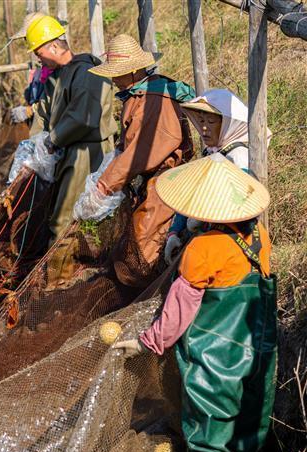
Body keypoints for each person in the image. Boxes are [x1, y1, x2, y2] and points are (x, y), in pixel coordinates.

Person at [112, 154, 276, 452]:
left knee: (209, 438)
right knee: (244, 427)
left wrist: (146, 343)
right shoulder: (260, 238)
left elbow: (177, 313)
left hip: (215, 363)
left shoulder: (201, 248)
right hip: (257, 354)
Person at [79, 34, 194, 287]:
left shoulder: (155, 99)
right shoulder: (136, 94)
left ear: (133, 72)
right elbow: (127, 147)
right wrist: (110, 164)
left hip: (166, 183)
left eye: (116, 73)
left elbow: (141, 152)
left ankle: (154, 293)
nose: (112, 78)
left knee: (143, 248)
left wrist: (104, 186)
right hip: (147, 182)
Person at [22, 15, 117, 284]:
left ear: (53, 46)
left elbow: (83, 117)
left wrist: (53, 140)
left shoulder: (86, 71)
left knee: (64, 221)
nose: (38, 60)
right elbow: (46, 112)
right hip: (70, 151)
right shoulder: (61, 75)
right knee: (64, 218)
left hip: (86, 153)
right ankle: (66, 276)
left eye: (39, 53)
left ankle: (57, 285)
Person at [164, 89, 259, 264]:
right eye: (200, 121)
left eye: (211, 122)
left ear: (227, 124)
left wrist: (202, 216)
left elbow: (238, 205)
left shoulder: (239, 157)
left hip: (227, 244)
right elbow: (191, 194)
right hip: (204, 239)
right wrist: (174, 232)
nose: (204, 128)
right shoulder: (212, 152)